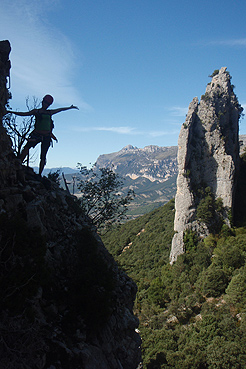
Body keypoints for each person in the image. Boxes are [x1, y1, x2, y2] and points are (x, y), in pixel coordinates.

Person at [6, 95, 79, 175]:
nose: (46, 105)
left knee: (43, 156)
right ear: (43, 102)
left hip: (46, 136)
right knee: (26, 148)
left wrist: (70, 107)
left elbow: (60, 110)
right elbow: (24, 114)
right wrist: (11, 112)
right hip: (37, 135)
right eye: (45, 103)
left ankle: (39, 174)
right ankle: (18, 164)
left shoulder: (49, 112)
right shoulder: (37, 112)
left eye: (48, 104)